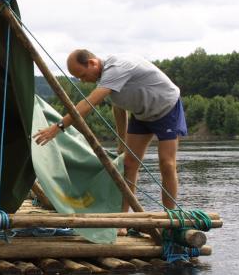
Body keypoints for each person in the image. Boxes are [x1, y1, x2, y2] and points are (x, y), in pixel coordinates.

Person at [33, 50, 187, 234]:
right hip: (142, 115)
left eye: (82, 75)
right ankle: (124, 221)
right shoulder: (107, 79)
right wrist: (122, 140)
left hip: (167, 109)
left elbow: (89, 102)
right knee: (129, 164)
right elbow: (119, 109)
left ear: (92, 63)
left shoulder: (116, 68)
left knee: (167, 164)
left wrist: (57, 127)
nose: (82, 81)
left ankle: (169, 221)